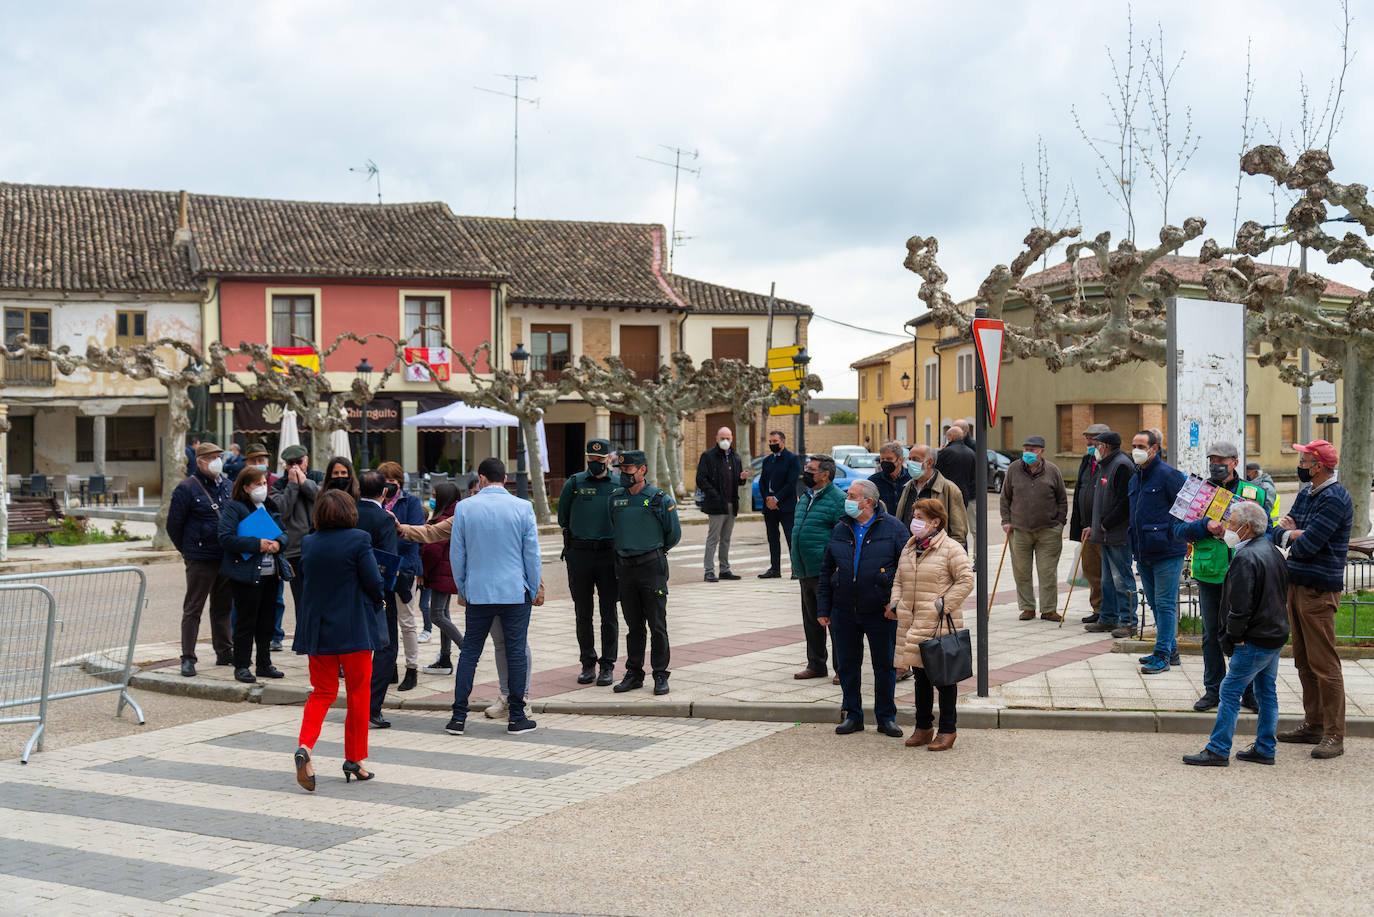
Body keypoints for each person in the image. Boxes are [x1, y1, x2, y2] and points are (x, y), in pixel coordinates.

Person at [399, 490, 536, 721]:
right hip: (494, 592)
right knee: (503, 645)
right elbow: (435, 533)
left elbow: (529, 553)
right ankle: (509, 700)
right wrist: (404, 529)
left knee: (510, 648)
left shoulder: (514, 507)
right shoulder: (470, 510)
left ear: (483, 480)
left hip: (497, 592)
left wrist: (534, 588)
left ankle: (515, 702)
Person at [1183, 501, 1290, 767]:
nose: (1226, 528)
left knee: (1229, 691)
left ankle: (1218, 749)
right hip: (1274, 633)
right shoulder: (1271, 550)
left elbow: (1240, 605)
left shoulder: (1245, 557)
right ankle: (1265, 748)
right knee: (1267, 692)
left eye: (1231, 524)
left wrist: (1233, 636)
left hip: (1254, 637)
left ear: (1246, 528)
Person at [292, 489, 386, 789]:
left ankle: (305, 747)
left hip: (318, 630)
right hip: (354, 629)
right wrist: (379, 598)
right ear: (349, 512)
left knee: (322, 692)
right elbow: (373, 580)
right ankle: (354, 759)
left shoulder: (308, 543)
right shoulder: (359, 539)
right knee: (359, 693)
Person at [445, 458, 542, 735]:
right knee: (516, 651)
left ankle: (458, 717)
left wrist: (464, 587)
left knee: (470, 654)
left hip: (479, 591)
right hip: (514, 591)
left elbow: (457, 554)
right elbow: (532, 555)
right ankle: (516, 716)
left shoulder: (464, 508)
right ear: (507, 477)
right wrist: (532, 588)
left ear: (481, 478)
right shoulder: (523, 507)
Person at [1174, 442, 1268, 710]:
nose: (1215, 465)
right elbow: (1178, 531)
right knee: (1211, 634)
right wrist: (1205, 525)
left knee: (1246, 634)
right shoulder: (1198, 493)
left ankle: (1248, 693)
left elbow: (1267, 530)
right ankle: (1213, 690)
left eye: (1221, 460)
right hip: (1210, 573)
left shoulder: (1254, 493)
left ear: (1235, 463)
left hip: (1245, 573)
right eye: (1211, 460)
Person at [1275, 440, 1352, 759]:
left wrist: (1294, 535)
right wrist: (1292, 534)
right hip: (1297, 583)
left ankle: (1335, 734)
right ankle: (1314, 724)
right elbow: (1277, 532)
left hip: (1319, 589)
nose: (1301, 463)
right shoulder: (1308, 494)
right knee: (1303, 661)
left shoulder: (1335, 498)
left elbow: (1309, 545)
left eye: (1304, 459)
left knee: (1324, 663)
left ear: (1318, 465)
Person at [815, 479, 910, 738]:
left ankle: (885, 717)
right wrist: (824, 607)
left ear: (868, 501)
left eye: (853, 495)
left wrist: (895, 605)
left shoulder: (893, 528)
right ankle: (853, 715)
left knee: (884, 666)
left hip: (880, 611)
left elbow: (907, 571)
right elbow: (826, 571)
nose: (848, 499)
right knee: (847, 664)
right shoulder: (841, 527)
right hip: (844, 610)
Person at [891, 498, 974, 751]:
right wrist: (896, 603)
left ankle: (948, 730)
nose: (914, 521)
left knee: (945, 679)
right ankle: (923, 727)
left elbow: (966, 580)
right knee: (920, 677)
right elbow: (898, 579)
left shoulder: (950, 548)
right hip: (911, 623)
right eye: (914, 516)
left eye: (919, 517)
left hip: (938, 624)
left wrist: (941, 605)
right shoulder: (909, 548)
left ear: (935, 522)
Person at [609, 450, 683, 694]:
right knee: (633, 626)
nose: (624, 474)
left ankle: (660, 674)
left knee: (657, 624)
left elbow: (673, 535)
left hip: (652, 568)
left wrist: (653, 552)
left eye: (628, 469)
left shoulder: (659, 498)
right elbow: (614, 530)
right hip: (625, 569)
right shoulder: (615, 498)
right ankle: (634, 672)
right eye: (621, 470)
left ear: (642, 470)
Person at [167, 441, 234, 677]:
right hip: (200, 557)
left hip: (226, 555)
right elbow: (173, 525)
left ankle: (225, 651)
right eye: (212, 457)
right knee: (193, 608)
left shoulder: (227, 486)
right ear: (201, 460)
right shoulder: (186, 488)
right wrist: (187, 551)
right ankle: (188, 658)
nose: (217, 461)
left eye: (219, 456)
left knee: (223, 607)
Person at [217, 466, 289, 684]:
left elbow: (284, 532)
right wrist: (256, 544)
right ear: (246, 487)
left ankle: (264, 663)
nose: (263, 488)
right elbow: (225, 538)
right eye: (258, 484)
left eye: (264, 483)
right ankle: (241, 665)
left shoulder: (269, 505)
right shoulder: (235, 508)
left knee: (267, 621)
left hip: (270, 573)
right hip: (246, 574)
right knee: (246, 622)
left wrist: (279, 543)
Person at [557, 438, 620, 685]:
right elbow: (563, 517)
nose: (594, 463)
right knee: (583, 612)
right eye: (590, 459)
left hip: (608, 555)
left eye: (599, 460)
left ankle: (608, 665)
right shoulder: (574, 483)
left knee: (609, 613)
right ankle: (587, 663)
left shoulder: (617, 484)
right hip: (580, 554)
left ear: (609, 459)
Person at [1127, 429, 1188, 672]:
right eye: (1134, 445)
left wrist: (1173, 533)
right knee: (1153, 603)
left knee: (1164, 604)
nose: (1136, 450)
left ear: (1154, 449)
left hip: (1167, 550)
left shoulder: (1169, 475)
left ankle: (1161, 655)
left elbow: (1185, 510)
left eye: (1141, 446)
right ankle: (1171, 650)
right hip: (1143, 552)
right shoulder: (1136, 478)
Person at [790, 454, 847, 681]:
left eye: (811, 470)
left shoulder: (837, 500)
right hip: (805, 570)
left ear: (825, 475)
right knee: (811, 621)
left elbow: (842, 537)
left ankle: (842, 668)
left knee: (834, 622)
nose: (806, 473)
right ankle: (816, 664)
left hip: (826, 572)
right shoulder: (805, 497)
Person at [1000, 435, 1067, 622]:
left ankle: (1048, 609)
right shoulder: (1014, 469)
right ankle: (1027, 608)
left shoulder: (1053, 470)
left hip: (1048, 529)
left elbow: (1062, 498)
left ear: (1042, 452)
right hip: (1019, 529)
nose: (1028, 453)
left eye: (1033, 449)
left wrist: (1060, 523)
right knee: (1021, 571)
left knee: (1047, 571)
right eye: (1026, 449)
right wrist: (1006, 520)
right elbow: (1005, 497)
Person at [354, 471, 400, 729]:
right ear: (384, 492)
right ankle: (373, 706)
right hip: (378, 589)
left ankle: (357, 702)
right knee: (386, 647)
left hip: (350, 587)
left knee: (358, 647)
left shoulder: (350, 512)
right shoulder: (384, 518)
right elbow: (388, 559)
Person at [269, 444, 323, 646]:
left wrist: (305, 483)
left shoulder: (318, 477)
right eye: (290, 464)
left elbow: (323, 500)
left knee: (322, 595)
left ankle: (321, 636)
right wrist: (292, 485)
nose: (294, 467)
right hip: (295, 550)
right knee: (301, 597)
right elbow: (282, 512)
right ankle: (305, 638)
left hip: (321, 547)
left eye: (298, 462)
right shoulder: (279, 486)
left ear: (306, 460)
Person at [1084, 431, 1137, 638]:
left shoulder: (1121, 465)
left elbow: (1126, 500)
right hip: (1104, 534)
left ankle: (1128, 621)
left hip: (1116, 533)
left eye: (1097, 445)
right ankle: (1108, 618)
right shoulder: (1106, 464)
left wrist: (1107, 522)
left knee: (1122, 578)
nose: (1095, 449)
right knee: (1107, 579)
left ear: (1105, 446)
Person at [379, 462, 425, 692]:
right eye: (385, 483)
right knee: (386, 623)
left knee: (406, 622)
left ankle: (412, 669)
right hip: (383, 569)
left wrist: (387, 541)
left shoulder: (411, 502)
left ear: (400, 483)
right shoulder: (378, 503)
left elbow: (414, 535)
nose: (389, 487)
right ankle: (390, 668)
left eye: (393, 483)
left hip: (405, 569)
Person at [417, 483, 462, 675]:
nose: (432, 499)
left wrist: (422, 572)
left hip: (440, 572)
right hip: (447, 571)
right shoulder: (454, 515)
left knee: (436, 615)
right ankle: (445, 659)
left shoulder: (443, 519)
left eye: (435, 495)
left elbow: (432, 551)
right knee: (443, 614)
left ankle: (467, 648)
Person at [1069, 423, 1110, 624]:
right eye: (1086, 438)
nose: (1088, 442)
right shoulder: (1086, 461)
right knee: (1091, 571)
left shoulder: (1114, 462)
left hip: (1105, 530)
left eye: (1092, 438)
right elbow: (1079, 491)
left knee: (1109, 574)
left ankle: (1112, 611)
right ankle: (1098, 608)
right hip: (1086, 528)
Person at [696, 426, 745, 582]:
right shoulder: (708, 456)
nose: (725, 441)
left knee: (726, 538)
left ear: (732, 439)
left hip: (731, 503)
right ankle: (709, 570)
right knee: (713, 538)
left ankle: (725, 569)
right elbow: (701, 479)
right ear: (716, 438)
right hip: (716, 504)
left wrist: (742, 478)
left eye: (728, 438)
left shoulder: (735, 457)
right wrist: (715, 496)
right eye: (722, 438)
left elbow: (738, 481)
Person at [894, 444, 969, 544]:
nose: (910, 463)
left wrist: (948, 554)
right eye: (909, 458)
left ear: (929, 463)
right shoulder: (908, 487)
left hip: (937, 553)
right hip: (909, 551)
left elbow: (958, 532)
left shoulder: (949, 490)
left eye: (915, 459)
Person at [758, 430, 802, 579]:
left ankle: (795, 569)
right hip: (769, 505)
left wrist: (776, 499)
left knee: (791, 537)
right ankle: (775, 569)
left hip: (786, 506)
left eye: (775, 442)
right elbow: (763, 482)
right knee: (772, 537)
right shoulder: (767, 460)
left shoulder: (792, 459)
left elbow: (791, 483)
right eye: (770, 442)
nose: (772, 445)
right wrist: (767, 499)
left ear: (783, 442)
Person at [935, 422, 978, 562]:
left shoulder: (946, 453)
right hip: (965, 495)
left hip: (945, 494)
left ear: (950, 437)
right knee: (960, 527)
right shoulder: (971, 453)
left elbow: (936, 471)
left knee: (946, 527)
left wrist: (940, 452)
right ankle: (962, 558)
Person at [868, 441, 912, 516]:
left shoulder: (911, 479)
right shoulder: (873, 481)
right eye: (882, 459)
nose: (885, 462)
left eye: (889, 459)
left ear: (900, 460)